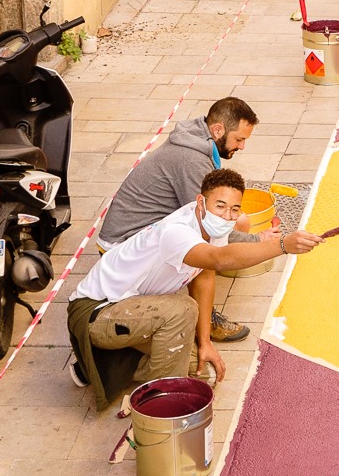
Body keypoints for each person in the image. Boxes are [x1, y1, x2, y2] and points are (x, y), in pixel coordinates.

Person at [66, 168, 324, 407]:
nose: (227, 215)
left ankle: (99, 366)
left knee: (206, 375)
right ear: (201, 202)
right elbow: (218, 259)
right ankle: (162, 403)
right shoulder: (175, 231)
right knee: (181, 309)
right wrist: (281, 246)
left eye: (235, 209)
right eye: (220, 205)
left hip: (130, 309)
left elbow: (205, 276)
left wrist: (205, 343)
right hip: (96, 312)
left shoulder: (211, 225)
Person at [97, 96, 262, 343]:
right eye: (239, 139)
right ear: (218, 129)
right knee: (206, 251)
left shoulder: (198, 139)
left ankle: (206, 289)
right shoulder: (191, 159)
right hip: (120, 247)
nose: (241, 147)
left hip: (135, 231)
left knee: (239, 221)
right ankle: (204, 322)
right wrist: (260, 242)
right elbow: (208, 224)